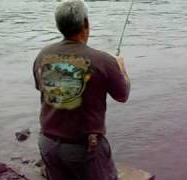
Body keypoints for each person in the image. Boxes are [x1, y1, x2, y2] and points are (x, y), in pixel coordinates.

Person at [32, 0, 130, 179]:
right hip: (85, 149)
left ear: (58, 25)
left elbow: (45, 90)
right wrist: (120, 67)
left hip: (47, 144)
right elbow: (123, 95)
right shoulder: (103, 60)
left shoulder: (42, 55)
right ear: (86, 23)